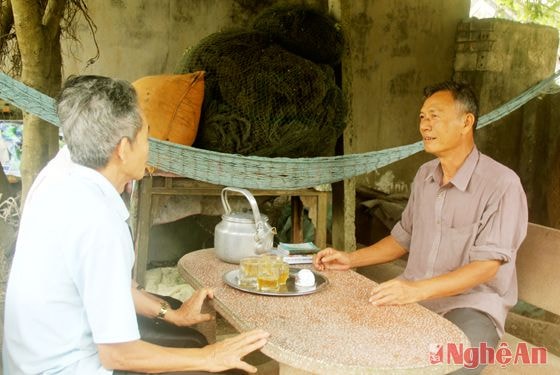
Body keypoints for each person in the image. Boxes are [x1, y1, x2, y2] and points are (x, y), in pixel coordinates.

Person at [3, 75, 269, 375]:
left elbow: (101, 285)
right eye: (146, 136)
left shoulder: (61, 170)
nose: (150, 148)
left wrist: (172, 314)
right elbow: (118, 355)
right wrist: (209, 357)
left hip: (27, 361)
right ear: (123, 148)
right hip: (66, 368)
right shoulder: (98, 221)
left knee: (185, 332)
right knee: (220, 366)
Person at [313, 81, 528, 374]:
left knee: (452, 365)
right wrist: (350, 259)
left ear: (466, 122)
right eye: (422, 117)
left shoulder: (501, 184)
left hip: (471, 308)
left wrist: (415, 291)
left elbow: (486, 267)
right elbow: (403, 238)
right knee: (344, 340)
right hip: (416, 302)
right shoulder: (425, 175)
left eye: (435, 116)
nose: (425, 126)